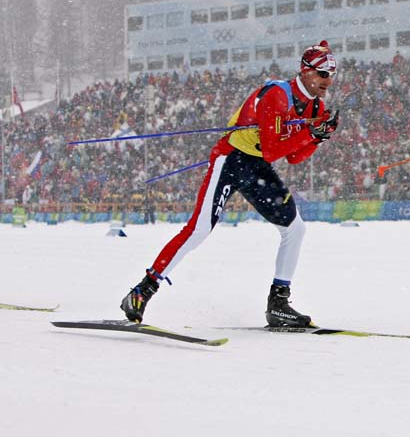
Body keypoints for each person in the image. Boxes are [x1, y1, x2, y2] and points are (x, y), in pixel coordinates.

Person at [120, 42, 341, 327]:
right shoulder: (278, 94)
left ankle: (279, 304)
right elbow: (275, 149)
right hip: (232, 160)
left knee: (295, 229)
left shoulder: (315, 106)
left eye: (332, 74)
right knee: (199, 229)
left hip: (258, 165)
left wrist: (318, 138)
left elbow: (296, 157)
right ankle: (142, 291)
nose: (329, 80)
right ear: (306, 71)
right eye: (323, 73)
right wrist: (310, 131)